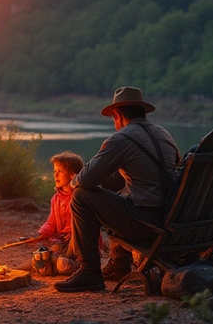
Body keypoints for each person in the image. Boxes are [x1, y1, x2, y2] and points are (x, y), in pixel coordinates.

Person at [54, 86, 180, 293]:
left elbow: (84, 180)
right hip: (170, 216)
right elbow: (155, 175)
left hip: (146, 224)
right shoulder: (163, 133)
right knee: (122, 193)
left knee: (80, 196)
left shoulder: (122, 139)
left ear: (118, 115)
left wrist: (76, 180)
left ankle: (89, 272)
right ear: (142, 112)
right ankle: (119, 265)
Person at [19, 151, 83, 275]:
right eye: (54, 171)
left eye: (60, 171)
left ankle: (69, 263)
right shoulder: (56, 199)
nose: (55, 175)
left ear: (72, 175)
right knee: (46, 254)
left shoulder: (79, 196)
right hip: (61, 240)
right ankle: (49, 263)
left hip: (77, 242)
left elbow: (81, 227)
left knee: (62, 258)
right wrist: (40, 234)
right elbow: (52, 222)